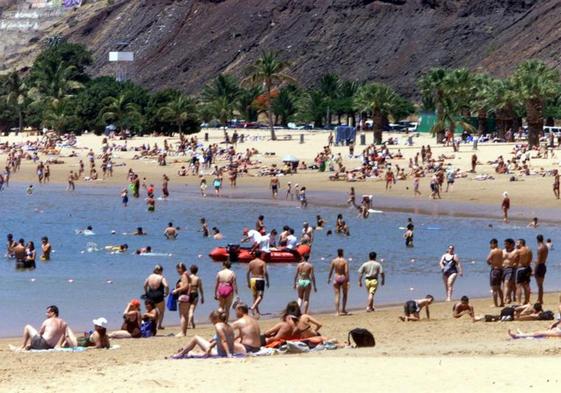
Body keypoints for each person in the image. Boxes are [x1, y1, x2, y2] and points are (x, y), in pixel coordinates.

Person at [171, 310, 245, 358]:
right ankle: (184, 351)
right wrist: (211, 347)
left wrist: (228, 354)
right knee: (200, 349)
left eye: (212, 320)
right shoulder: (229, 326)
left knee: (195, 338)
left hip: (222, 353)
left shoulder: (218, 325)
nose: (212, 322)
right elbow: (221, 340)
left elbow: (224, 340)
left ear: (216, 319)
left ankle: (180, 354)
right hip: (225, 351)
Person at [143, 265, 169, 329]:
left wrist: (146, 293)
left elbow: (144, 285)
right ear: (161, 271)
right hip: (159, 296)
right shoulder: (161, 277)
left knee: (150, 311)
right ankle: (159, 325)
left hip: (150, 295)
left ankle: (148, 324)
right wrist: (167, 293)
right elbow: (166, 286)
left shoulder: (150, 276)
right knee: (161, 311)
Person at [247, 250, 269, 318]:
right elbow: (265, 273)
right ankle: (253, 307)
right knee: (260, 296)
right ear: (260, 255)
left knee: (254, 296)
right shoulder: (262, 262)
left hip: (252, 279)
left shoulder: (251, 262)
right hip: (260, 279)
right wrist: (268, 281)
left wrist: (248, 282)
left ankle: (255, 312)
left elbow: (247, 273)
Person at [328, 249, 349, 316]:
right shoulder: (345, 261)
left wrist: (329, 278)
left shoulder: (334, 261)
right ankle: (343, 309)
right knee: (345, 294)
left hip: (336, 277)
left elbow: (331, 270)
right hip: (343, 277)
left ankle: (337, 312)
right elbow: (346, 271)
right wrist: (347, 279)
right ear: (342, 253)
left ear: (337, 253)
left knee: (337, 295)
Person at [173, 263, 191, 337]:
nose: (177, 270)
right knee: (185, 315)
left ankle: (182, 332)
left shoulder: (184, 275)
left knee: (182, 315)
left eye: (178, 268)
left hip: (183, 295)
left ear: (181, 268)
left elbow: (185, 286)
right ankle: (184, 332)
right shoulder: (187, 274)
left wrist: (177, 290)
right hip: (187, 296)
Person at [486, 238, 504, 307]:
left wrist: (491, 263)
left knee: (494, 289)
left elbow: (487, 260)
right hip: (500, 270)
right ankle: (502, 302)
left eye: (491, 244)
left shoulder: (493, 251)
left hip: (495, 270)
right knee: (499, 288)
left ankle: (495, 304)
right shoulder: (501, 251)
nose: (490, 246)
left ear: (494, 244)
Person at [515, 239, 532, 305]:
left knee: (518, 286)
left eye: (517, 243)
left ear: (521, 243)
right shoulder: (529, 250)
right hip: (527, 268)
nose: (516, 244)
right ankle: (527, 301)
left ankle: (518, 302)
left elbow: (515, 259)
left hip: (520, 269)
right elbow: (530, 259)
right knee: (526, 285)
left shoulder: (519, 250)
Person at [502, 238, 518, 304]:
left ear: (511, 244)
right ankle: (510, 298)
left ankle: (505, 299)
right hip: (503, 269)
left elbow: (518, 261)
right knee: (508, 285)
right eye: (505, 244)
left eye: (506, 244)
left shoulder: (515, 251)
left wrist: (513, 265)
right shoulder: (503, 251)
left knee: (507, 283)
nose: (505, 245)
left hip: (511, 269)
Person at [534, 234, 549, 304]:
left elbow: (539, 260)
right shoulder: (546, 247)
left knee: (539, 285)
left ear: (537, 240)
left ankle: (539, 299)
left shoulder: (540, 248)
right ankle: (540, 299)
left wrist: (534, 269)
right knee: (541, 285)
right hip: (543, 265)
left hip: (539, 266)